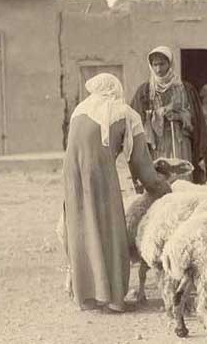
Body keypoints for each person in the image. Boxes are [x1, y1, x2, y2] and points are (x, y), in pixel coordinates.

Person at [60, 73, 171, 313]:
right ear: (117, 90)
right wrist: (163, 189)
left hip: (72, 176)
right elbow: (142, 166)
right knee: (110, 228)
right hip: (99, 174)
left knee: (82, 228)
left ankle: (87, 297)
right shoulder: (126, 114)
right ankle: (113, 300)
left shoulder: (80, 110)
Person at [130, 46, 207, 184]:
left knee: (182, 179)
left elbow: (197, 119)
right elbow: (135, 118)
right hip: (157, 144)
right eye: (155, 65)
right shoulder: (144, 91)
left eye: (162, 64)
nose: (158, 69)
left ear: (170, 64)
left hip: (180, 142)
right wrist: (157, 114)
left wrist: (180, 116)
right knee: (161, 179)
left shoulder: (186, 89)